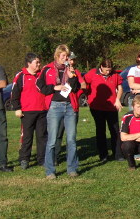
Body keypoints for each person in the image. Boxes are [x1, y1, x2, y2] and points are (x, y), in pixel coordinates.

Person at [37, 44, 80, 179]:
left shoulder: (71, 70)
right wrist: (54, 87)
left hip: (69, 106)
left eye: (67, 56)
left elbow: (76, 88)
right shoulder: (47, 69)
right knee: (52, 140)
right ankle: (50, 170)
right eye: (63, 56)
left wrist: (71, 76)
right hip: (55, 106)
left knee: (71, 139)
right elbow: (40, 86)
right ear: (57, 56)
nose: (65, 58)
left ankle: (72, 168)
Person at [10, 53, 47, 169]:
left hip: (42, 110)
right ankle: (24, 159)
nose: (39, 64)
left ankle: (42, 159)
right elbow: (14, 92)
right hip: (27, 112)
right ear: (29, 63)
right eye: (37, 62)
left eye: (39, 62)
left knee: (42, 136)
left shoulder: (41, 75)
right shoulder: (21, 76)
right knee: (27, 137)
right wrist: (17, 108)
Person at [84, 58, 123, 162]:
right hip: (97, 107)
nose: (108, 72)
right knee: (101, 130)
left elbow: (120, 88)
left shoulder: (115, 75)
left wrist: (118, 99)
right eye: (106, 70)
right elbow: (84, 84)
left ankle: (118, 154)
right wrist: (88, 96)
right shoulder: (92, 73)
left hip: (111, 107)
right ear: (101, 67)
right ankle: (103, 155)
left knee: (115, 130)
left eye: (110, 70)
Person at [53, 52, 89, 164]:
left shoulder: (76, 72)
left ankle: (71, 158)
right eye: (69, 60)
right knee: (57, 133)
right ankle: (55, 157)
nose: (71, 62)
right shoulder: (57, 71)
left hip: (72, 105)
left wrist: (74, 89)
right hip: (59, 104)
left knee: (71, 135)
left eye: (73, 60)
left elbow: (83, 85)